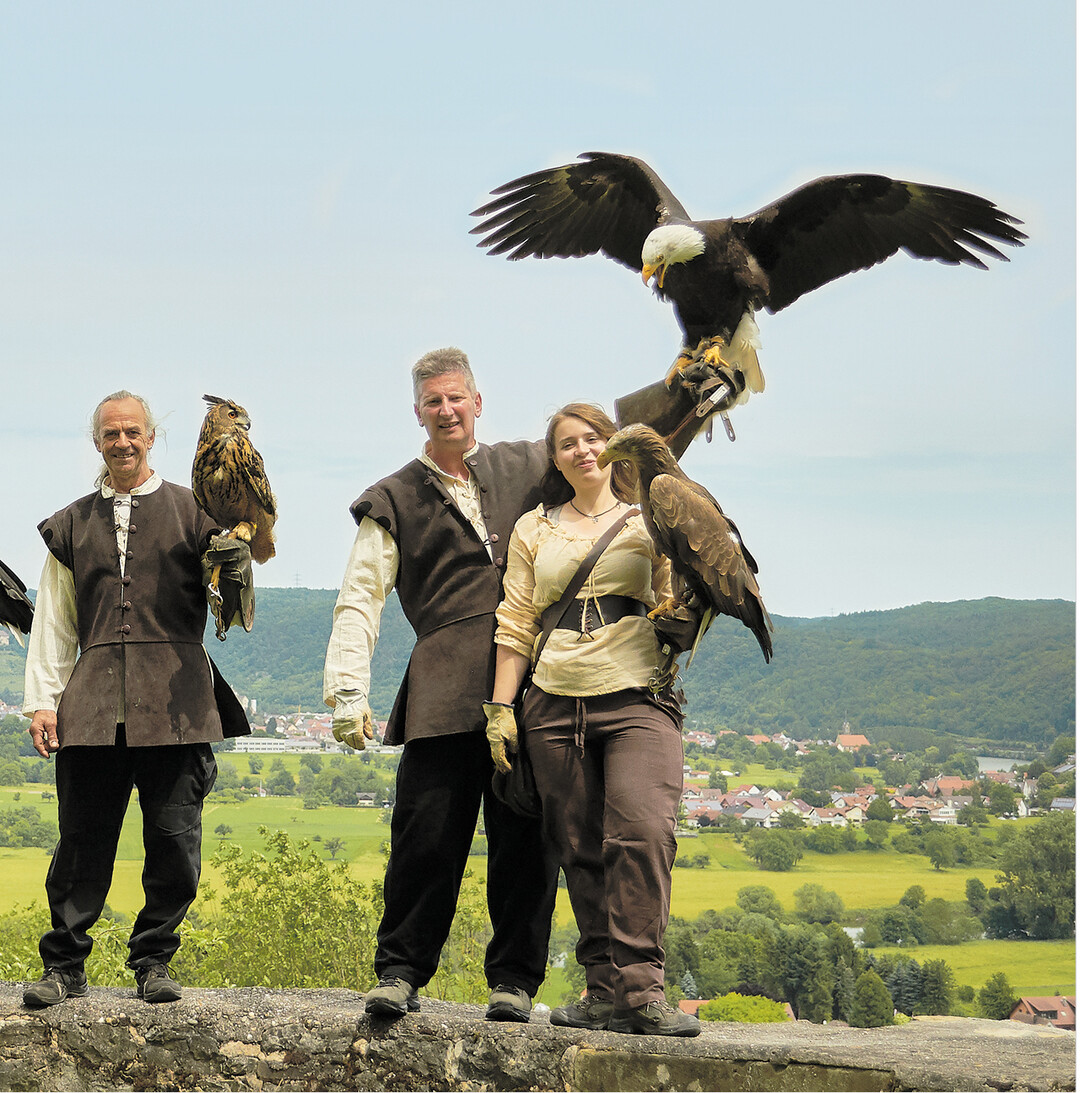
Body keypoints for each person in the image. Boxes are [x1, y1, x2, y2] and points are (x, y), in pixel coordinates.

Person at [323, 347, 560, 1022]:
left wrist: (691, 388)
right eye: (434, 401)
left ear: (478, 402)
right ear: (418, 411)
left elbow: (613, 450)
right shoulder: (393, 496)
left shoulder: (531, 463)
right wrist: (348, 691)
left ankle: (514, 982)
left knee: (527, 841)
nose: (447, 410)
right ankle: (400, 972)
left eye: (457, 398)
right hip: (441, 686)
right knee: (425, 837)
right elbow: (360, 597)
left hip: (533, 684)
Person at [21, 390, 249, 1008]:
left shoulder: (195, 511)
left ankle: (154, 960)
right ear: (97, 442)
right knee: (81, 840)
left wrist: (236, 561)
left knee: (174, 839)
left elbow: (230, 596)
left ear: (151, 437)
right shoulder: (71, 524)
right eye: (110, 434)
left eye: (132, 432)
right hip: (92, 706)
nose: (122, 442)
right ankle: (64, 965)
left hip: (178, 703)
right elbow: (54, 623)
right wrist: (43, 702)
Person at [485, 402, 701, 1037]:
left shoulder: (650, 516)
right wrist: (501, 709)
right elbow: (516, 621)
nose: (582, 451)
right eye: (567, 444)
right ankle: (603, 991)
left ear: (613, 447)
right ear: (555, 460)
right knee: (578, 848)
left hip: (637, 697)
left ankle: (643, 992)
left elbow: (680, 594)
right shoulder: (534, 528)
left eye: (593, 438)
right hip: (553, 700)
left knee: (643, 834)